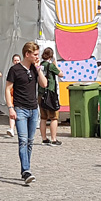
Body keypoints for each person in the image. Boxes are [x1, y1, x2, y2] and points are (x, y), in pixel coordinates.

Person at [6, 41, 48, 185]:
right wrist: (10, 107)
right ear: (27, 54)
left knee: (30, 142)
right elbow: (7, 89)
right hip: (20, 109)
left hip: (33, 109)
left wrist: (38, 68)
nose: (37, 57)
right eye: (35, 55)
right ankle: (26, 170)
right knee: (23, 141)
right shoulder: (15, 70)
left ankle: (26, 169)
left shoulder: (35, 69)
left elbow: (44, 84)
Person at [39, 47, 63, 146]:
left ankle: (44, 139)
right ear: (51, 56)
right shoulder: (50, 66)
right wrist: (55, 65)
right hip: (50, 93)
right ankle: (53, 139)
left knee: (43, 118)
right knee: (54, 117)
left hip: (40, 93)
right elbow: (61, 74)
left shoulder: (40, 65)